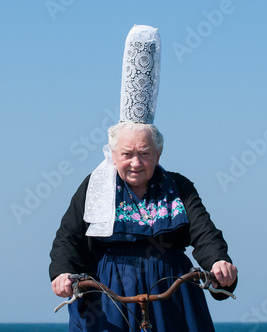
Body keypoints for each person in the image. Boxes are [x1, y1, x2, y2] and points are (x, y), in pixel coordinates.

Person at [49, 25, 238, 331]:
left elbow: (204, 231)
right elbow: (68, 238)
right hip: (110, 292)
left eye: (145, 153)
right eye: (127, 154)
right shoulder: (95, 187)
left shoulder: (179, 186)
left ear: (158, 155)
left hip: (171, 291)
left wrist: (218, 263)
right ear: (112, 155)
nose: (136, 162)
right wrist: (62, 273)